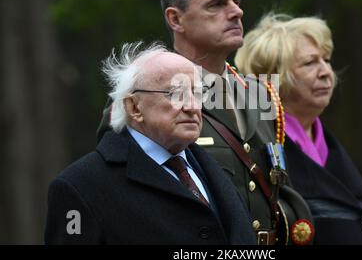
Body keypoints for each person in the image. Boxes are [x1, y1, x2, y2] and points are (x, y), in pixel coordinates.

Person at [97, 0, 313, 245]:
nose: (236, 12)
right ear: (175, 19)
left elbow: (279, 189)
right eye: (217, 4)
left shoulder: (260, 93)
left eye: (236, 1)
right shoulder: (145, 100)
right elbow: (121, 200)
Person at [45, 42, 256, 244]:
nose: (192, 106)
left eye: (197, 93)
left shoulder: (210, 167)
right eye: (175, 94)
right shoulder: (79, 186)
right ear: (134, 107)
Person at [235, 13, 362, 244]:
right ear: (272, 78)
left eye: (326, 60)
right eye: (310, 63)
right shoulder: (258, 149)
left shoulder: (327, 144)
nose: (325, 72)